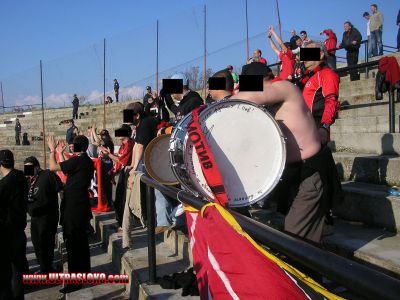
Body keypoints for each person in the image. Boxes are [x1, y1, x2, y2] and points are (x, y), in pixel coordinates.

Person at [231, 62, 342, 243]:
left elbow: (247, 98)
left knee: (294, 233)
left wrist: (230, 95)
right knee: (300, 230)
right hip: (294, 172)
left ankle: (306, 267)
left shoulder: (284, 87)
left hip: (312, 169)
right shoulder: (269, 102)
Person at [47, 135, 94, 294]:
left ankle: (75, 281)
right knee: (80, 242)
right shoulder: (84, 161)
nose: (71, 147)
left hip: (74, 207)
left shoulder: (79, 160)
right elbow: (67, 170)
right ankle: (84, 274)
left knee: (73, 243)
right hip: (79, 205)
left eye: (74, 145)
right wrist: (60, 153)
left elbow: (53, 167)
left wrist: (52, 150)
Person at [24, 156, 63, 274]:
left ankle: (47, 268)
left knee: (45, 242)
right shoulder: (28, 180)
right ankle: (43, 266)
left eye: (30, 168)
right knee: (36, 242)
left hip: (47, 216)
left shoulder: (47, 175)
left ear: (36, 167)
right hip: (34, 216)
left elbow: (60, 189)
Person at [0, 149, 29, 299]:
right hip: (19, 231)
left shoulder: (4, 184)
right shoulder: (21, 177)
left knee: (5, 276)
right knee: (18, 270)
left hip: (6, 234)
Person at [299, 41, 340, 145]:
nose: (303, 59)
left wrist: (324, 128)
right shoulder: (307, 77)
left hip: (316, 128)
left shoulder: (328, 74)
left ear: (321, 54)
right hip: (303, 127)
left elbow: (331, 102)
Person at [100, 124, 134, 228]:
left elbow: (123, 161)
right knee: (117, 201)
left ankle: (123, 226)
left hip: (125, 174)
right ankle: (119, 223)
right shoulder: (123, 145)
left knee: (121, 201)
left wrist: (108, 155)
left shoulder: (129, 144)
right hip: (117, 173)